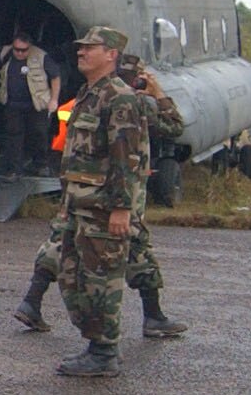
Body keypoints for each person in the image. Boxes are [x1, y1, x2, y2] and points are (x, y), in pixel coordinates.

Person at [13, 54, 188, 337]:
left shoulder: (88, 98)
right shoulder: (135, 103)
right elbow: (175, 127)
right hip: (120, 186)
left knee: (62, 238)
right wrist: (158, 94)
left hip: (78, 184)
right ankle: (152, 317)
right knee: (136, 244)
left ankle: (32, 300)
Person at [49, 25, 149, 378]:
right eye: (81, 47)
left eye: (91, 47)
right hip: (78, 206)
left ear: (111, 54)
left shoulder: (120, 98)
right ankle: (94, 342)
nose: (82, 52)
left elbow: (127, 158)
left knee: (101, 280)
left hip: (103, 209)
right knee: (72, 278)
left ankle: (105, 351)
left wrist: (122, 208)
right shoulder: (90, 94)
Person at [0, 30, 62, 174]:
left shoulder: (41, 56)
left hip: (37, 105)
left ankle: (41, 164)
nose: (19, 53)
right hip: (13, 104)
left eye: (23, 50)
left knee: (39, 134)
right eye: (16, 49)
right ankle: (15, 168)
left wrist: (54, 100)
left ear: (29, 47)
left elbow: (55, 77)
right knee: (14, 136)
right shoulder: (6, 54)